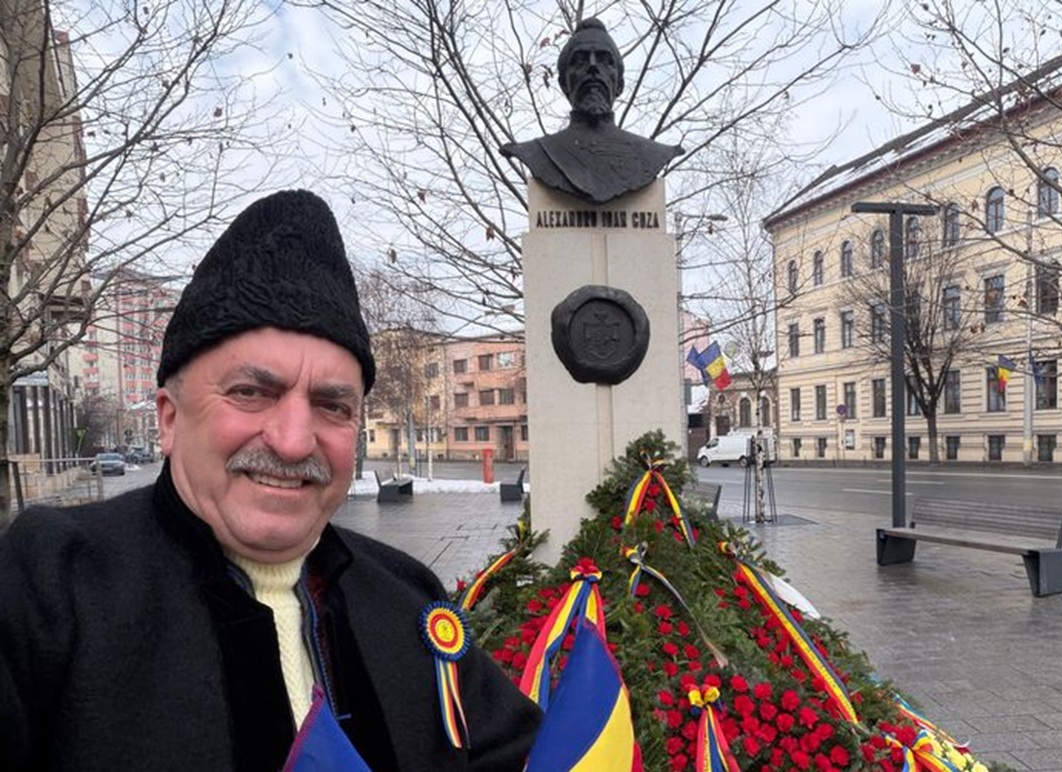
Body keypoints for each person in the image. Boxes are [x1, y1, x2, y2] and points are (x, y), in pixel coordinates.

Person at [0, 190, 541, 771]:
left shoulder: (405, 593)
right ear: (169, 419)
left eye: (332, 405)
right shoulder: (49, 582)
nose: (293, 441)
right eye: (251, 392)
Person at [500, 17, 683, 204]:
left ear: (619, 84)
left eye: (604, 60)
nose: (593, 67)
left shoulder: (651, 154)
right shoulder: (538, 152)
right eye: (580, 60)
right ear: (564, 84)